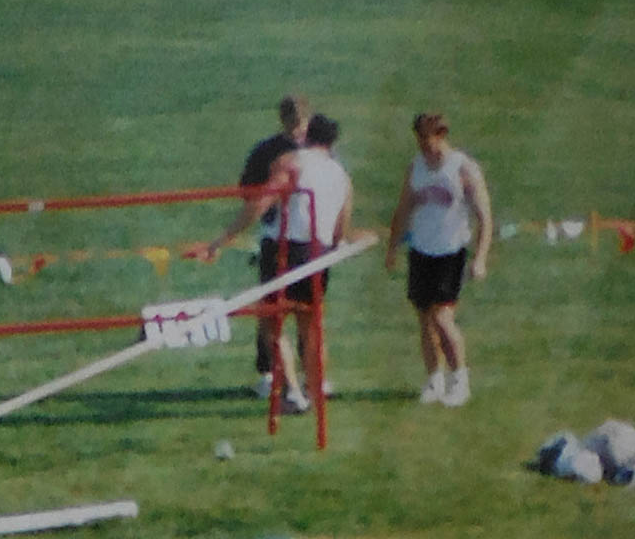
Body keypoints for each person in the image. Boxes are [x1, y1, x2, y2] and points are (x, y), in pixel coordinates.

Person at [198, 114, 354, 414]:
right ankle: (316, 389)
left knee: (273, 323)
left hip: (285, 250)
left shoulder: (291, 163)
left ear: (307, 136)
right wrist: (334, 245)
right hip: (319, 253)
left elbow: (260, 204)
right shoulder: (340, 174)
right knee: (311, 325)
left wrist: (221, 240)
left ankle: (293, 392)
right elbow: (342, 221)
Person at [385, 113, 493, 408]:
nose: (423, 146)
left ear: (441, 135)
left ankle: (460, 380)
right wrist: (392, 248)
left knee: (443, 319)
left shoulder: (463, 168)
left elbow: (484, 217)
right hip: (421, 250)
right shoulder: (416, 168)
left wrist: (480, 258)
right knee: (424, 318)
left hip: (450, 251)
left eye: (428, 139)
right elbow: (403, 209)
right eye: (419, 139)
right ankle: (434, 379)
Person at [237, 95, 311, 400]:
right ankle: (269, 373)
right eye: (292, 123)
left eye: (301, 123)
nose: (297, 130)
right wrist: (268, 201)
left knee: (307, 314)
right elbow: (247, 189)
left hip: (308, 237)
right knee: (270, 310)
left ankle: (311, 378)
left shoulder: (318, 152)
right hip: (274, 234)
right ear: (282, 121)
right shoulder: (267, 151)